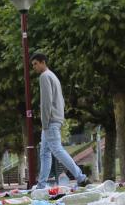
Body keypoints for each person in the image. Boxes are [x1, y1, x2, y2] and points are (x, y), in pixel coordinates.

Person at [30, 53, 89, 188]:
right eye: (33, 65)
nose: (34, 67)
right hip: (56, 118)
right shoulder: (53, 76)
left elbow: (46, 102)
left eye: (35, 64)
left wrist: (44, 123)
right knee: (45, 152)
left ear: (43, 62)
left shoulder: (44, 76)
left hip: (50, 120)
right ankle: (41, 184)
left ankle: (81, 177)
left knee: (56, 149)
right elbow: (60, 99)